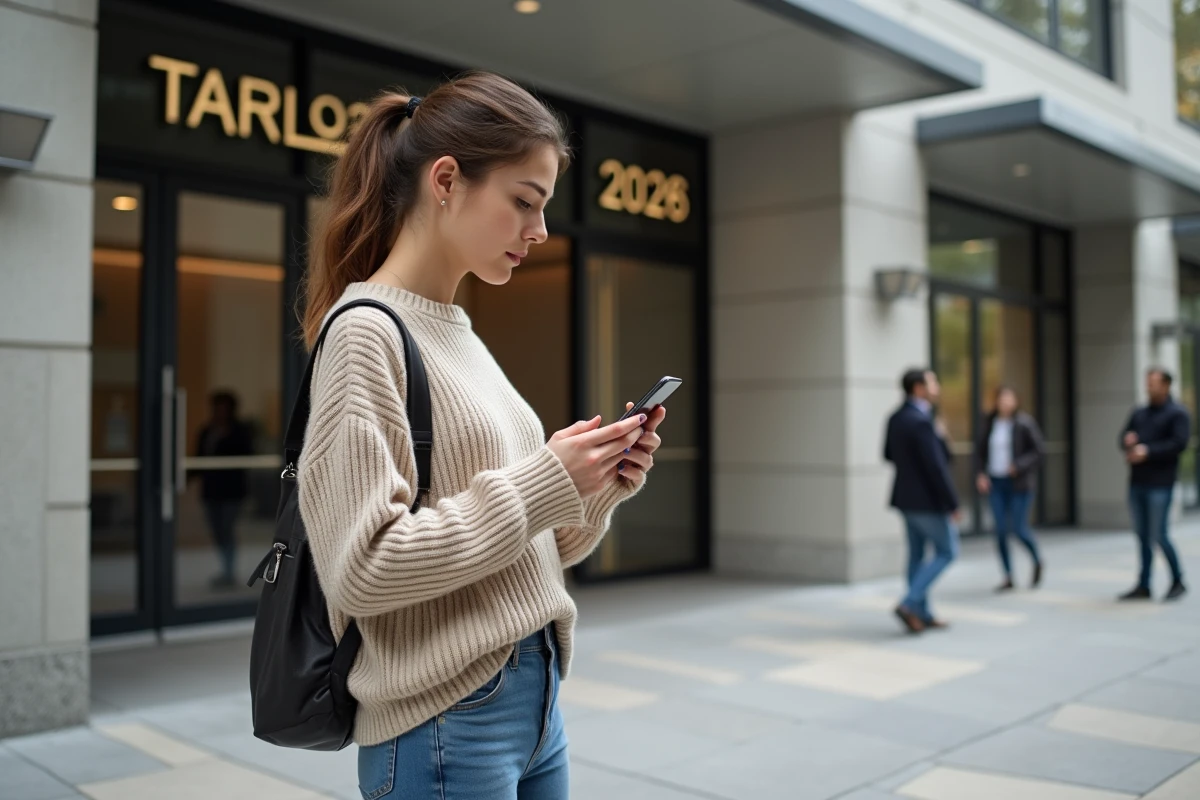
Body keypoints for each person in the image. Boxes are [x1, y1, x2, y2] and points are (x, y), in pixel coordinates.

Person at [297, 72, 666, 799]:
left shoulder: (458, 330)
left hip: (535, 702)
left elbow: (529, 549)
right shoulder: (366, 333)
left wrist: (596, 486)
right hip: (446, 719)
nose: (541, 230)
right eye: (524, 201)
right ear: (445, 181)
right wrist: (543, 481)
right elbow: (363, 568)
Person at [884, 369, 960, 634]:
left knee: (916, 555)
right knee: (947, 551)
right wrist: (952, 503)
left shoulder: (895, 417)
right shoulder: (922, 421)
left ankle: (922, 614)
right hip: (927, 501)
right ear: (918, 388)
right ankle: (909, 603)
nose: (937, 387)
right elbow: (937, 467)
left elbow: (888, 454)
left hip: (905, 499)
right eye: (932, 383)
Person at [1118, 368, 1189, 602]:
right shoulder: (1139, 413)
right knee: (1142, 536)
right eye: (1147, 382)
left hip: (1161, 484)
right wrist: (1128, 442)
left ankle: (1178, 580)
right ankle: (1144, 585)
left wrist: (1148, 451)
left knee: (1159, 534)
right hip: (1137, 482)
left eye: (1153, 383)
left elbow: (1179, 444)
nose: (1149, 387)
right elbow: (1123, 438)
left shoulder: (1177, 413)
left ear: (1166, 385)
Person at [976, 386, 1045, 592]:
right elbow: (979, 452)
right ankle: (1008, 576)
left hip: (1019, 484)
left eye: (1009, 399)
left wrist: (1019, 466)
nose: (1005, 403)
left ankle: (1037, 559)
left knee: (1018, 528)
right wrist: (980, 473)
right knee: (1000, 531)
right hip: (996, 482)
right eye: (1001, 399)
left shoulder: (1024, 423)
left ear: (1015, 401)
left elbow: (1039, 451)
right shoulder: (989, 423)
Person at [195, 390, 253, 588]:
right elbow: (199, 458)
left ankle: (229, 572)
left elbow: (247, 455)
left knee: (227, 529)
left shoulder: (239, 431)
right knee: (217, 530)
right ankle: (225, 568)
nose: (219, 412)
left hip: (231, 490)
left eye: (223, 408)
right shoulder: (207, 431)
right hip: (211, 490)